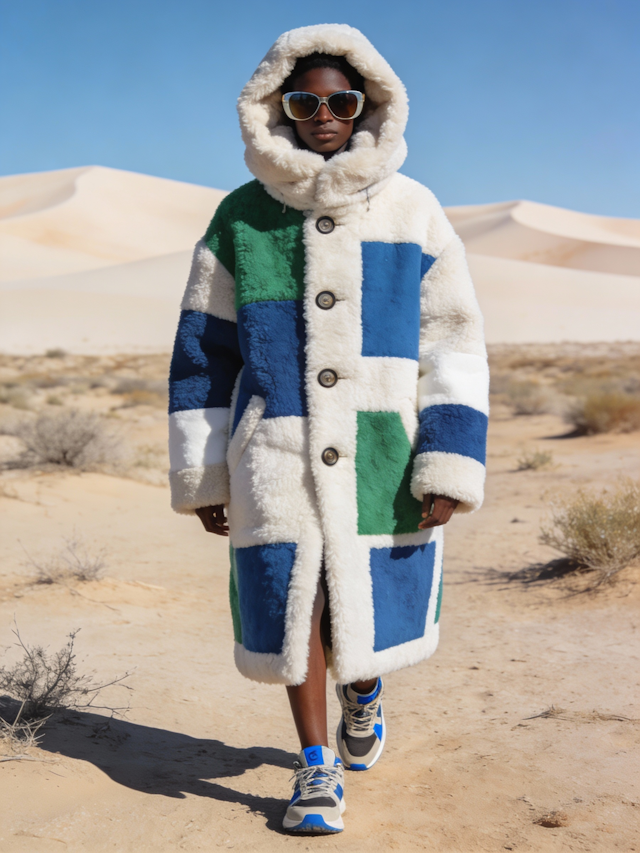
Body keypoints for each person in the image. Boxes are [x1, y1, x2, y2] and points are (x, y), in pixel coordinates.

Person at [168, 24, 488, 834]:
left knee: (358, 604)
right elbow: (204, 350)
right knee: (292, 601)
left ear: (367, 106)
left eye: (340, 102)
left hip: (382, 447)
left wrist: (448, 458)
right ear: (275, 106)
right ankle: (315, 766)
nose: (322, 118)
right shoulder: (240, 217)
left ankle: (363, 688)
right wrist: (205, 472)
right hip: (272, 448)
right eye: (304, 103)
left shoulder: (414, 211)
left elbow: (452, 342)